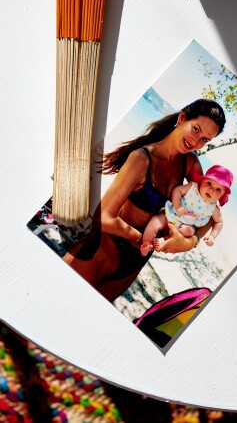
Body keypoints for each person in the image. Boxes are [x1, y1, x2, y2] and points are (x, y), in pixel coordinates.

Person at [62, 98, 226, 301]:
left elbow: (209, 213)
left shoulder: (190, 165)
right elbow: (102, 217)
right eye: (195, 129)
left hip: (133, 266)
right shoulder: (142, 158)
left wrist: (189, 241)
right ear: (182, 118)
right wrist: (143, 239)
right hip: (103, 250)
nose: (196, 141)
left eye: (205, 140)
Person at [139, 164, 233, 255]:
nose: (211, 190)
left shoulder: (214, 208)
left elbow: (219, 222)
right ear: (203, 180)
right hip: (171, 214)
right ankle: (146, 244)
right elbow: (177, 191)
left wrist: (212, 236)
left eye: (218, 190)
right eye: (209, 183)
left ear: (222, 195)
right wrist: (178, 206)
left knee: (189, 231)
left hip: (186, 226)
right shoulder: (192, 187)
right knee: (155, 221)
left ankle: (164, 239)